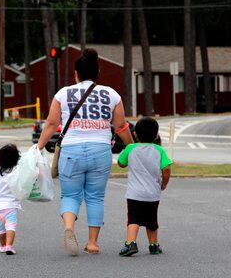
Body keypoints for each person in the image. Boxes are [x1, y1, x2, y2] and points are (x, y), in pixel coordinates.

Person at [37, 48, 133, 256]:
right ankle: (92, 243)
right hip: (101, 150)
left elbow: (52, 124)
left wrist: (39, 146)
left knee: (71, 194)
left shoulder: (63, 94)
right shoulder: (111, 94)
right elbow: (121, 127)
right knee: (95, 197)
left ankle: (69, 228)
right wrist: (133, 147)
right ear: (97, 73)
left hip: (71, 150)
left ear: (76, 74)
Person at [117, 117, 172, 257]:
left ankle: (130, 243)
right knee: (152, 220)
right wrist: (164, 183)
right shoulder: (159, 150)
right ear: (156, 134)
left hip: (134, 194)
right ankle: (153, 245)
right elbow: (166, 169)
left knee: (133, 219)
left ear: (135, 133)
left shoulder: (131, 148)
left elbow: (121, 163)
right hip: (153, 193)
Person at [0, 144, 21, 255]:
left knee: (0, 229)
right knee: (11, 226)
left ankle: (2, 246)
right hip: (11, 206)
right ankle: (9, 246)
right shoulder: (17, 172)